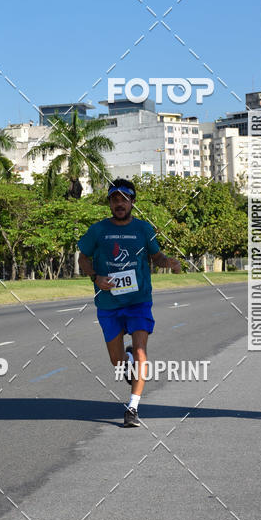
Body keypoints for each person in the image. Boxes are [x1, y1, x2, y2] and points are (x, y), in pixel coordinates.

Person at [78, 179, 182, 427]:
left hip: (138, 301)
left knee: (141, 351)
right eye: (115, 199)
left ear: (132, 202)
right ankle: (125, 362)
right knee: (117, 361)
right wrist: (96, 277)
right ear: (110, 203)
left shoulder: (144, 229)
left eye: (124, 199)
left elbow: (156, 257)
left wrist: (170, 262)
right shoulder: (98, 230)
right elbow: (83, 257)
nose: (119, 203)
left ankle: (132, 408)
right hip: (108, 304)